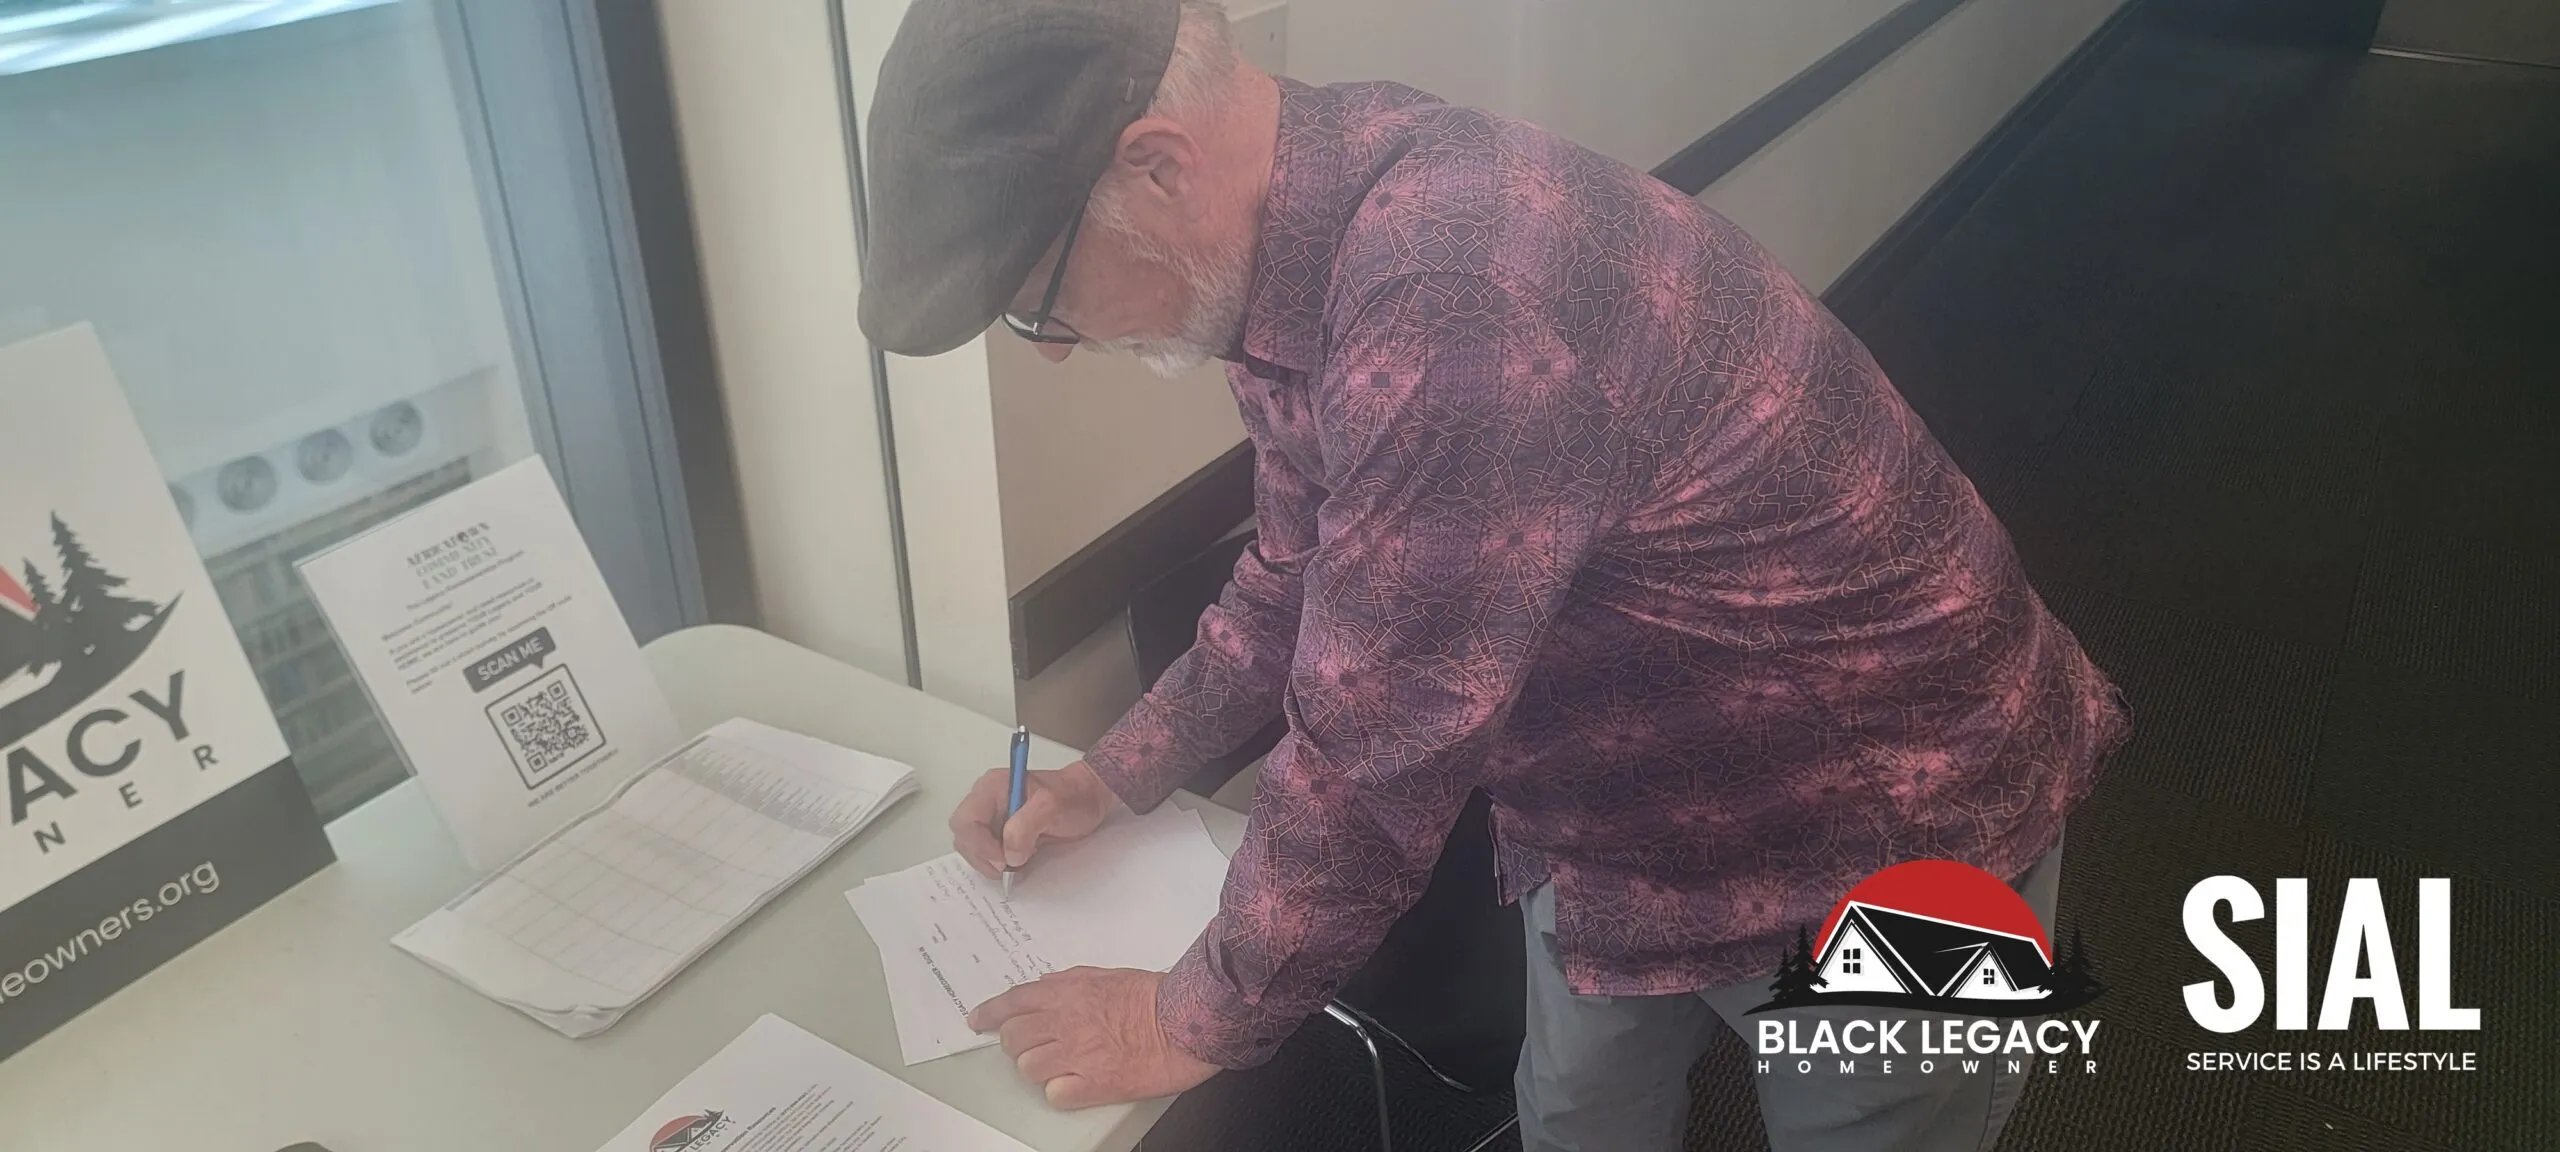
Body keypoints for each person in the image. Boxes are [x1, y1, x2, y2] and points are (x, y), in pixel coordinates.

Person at [855, 1, 2128, 1147]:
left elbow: (1372, 750)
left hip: (1894, 804)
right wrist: (1110, 774)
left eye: (1038, 303)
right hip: (1619, 803)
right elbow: (1295, 573)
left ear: (1159, 164)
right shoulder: (1299, 235)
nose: (1054, 350)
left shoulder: (1445, 297)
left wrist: (1189, 1020)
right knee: (1574, 1116)